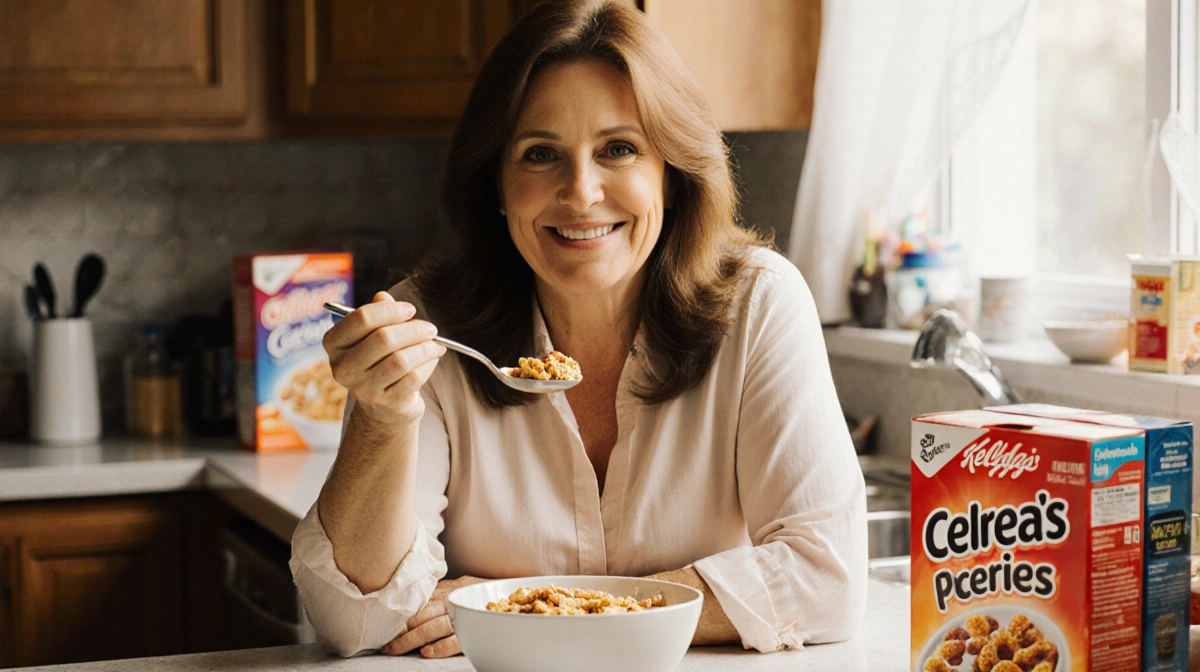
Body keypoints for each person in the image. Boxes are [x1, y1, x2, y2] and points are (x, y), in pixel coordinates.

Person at [290, 0, 866, 659]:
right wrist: (381, 419)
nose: (582, 192)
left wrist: (531, 612)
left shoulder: (760, 303)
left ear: (671, 177)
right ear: (497, 186)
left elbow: (828, 579)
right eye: (540, 154)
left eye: (619, 149)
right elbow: (358, 619)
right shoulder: (426, 327)